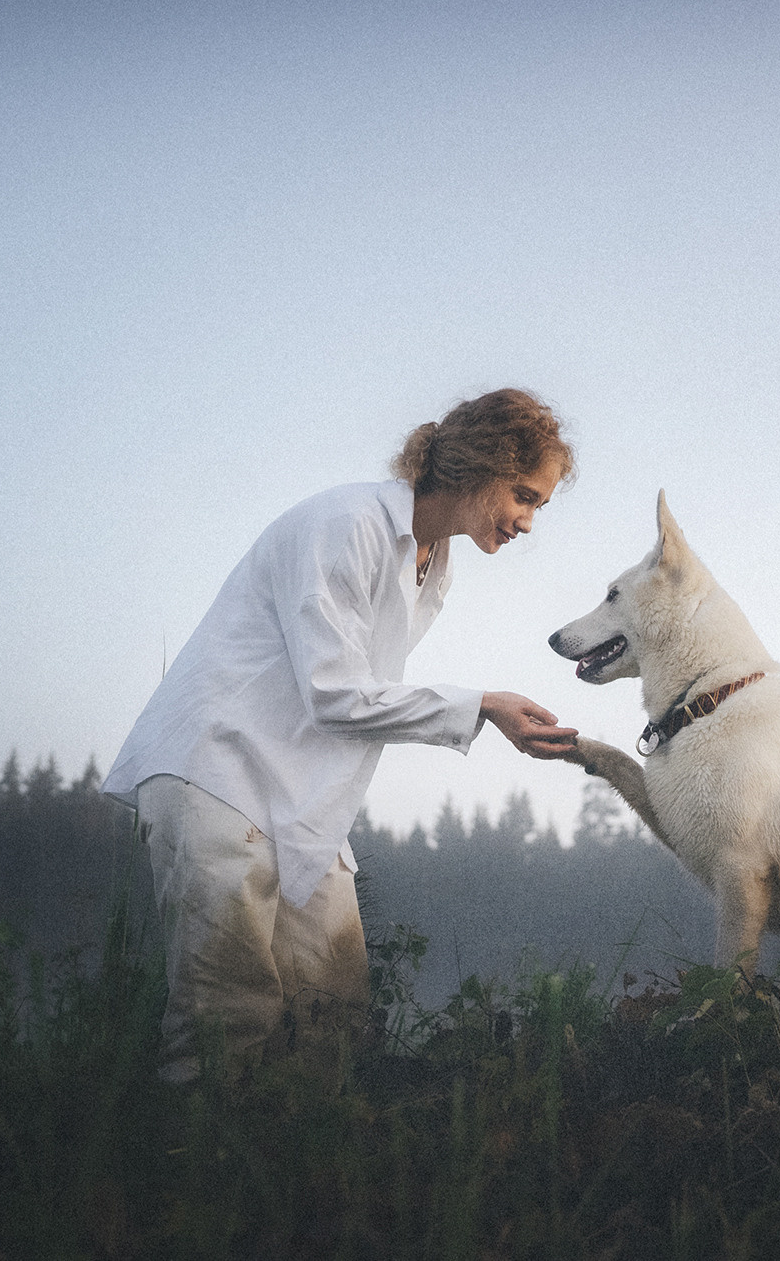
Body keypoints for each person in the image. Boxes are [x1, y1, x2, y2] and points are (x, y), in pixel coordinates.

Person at [102, 388, 579, 1081]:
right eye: (525, 496)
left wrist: (478, 708)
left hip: (297, 794)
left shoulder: (432, 565)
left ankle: (311, 1174)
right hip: (213, 771)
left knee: (333, 1016)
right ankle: (189, 1174)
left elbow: (346, 701)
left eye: (539, 505)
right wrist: (480, 706)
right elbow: (335, 694)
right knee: (224, 1019)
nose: (529, 522)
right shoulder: (348, 523)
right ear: (483, 466)